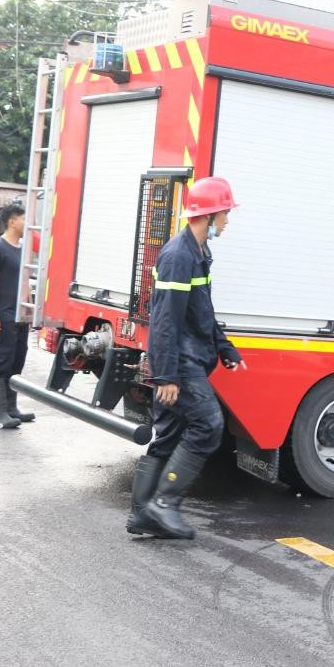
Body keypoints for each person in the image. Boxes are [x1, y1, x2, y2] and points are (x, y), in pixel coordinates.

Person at [127, 177, 245, 540]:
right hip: (180, 362)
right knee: (208, 425)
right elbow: (165, 320)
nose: (227, 221)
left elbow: (201, 311)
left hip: (186, 357)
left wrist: (225, 349)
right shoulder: (180, 255)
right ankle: (163, 506)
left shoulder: (197, 253)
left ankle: (140, 515)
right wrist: (166, 376)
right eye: (225, 213)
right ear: (208, 216)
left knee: (171, 433)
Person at [0, 203, 35, 429]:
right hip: (2, 315)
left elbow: (25, 282)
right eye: (24, 219)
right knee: (1, 362)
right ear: (12, 221)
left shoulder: (22, 249)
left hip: (19, 316)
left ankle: (12, 408)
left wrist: (30, 308)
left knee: (17, 360)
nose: (27, 224)